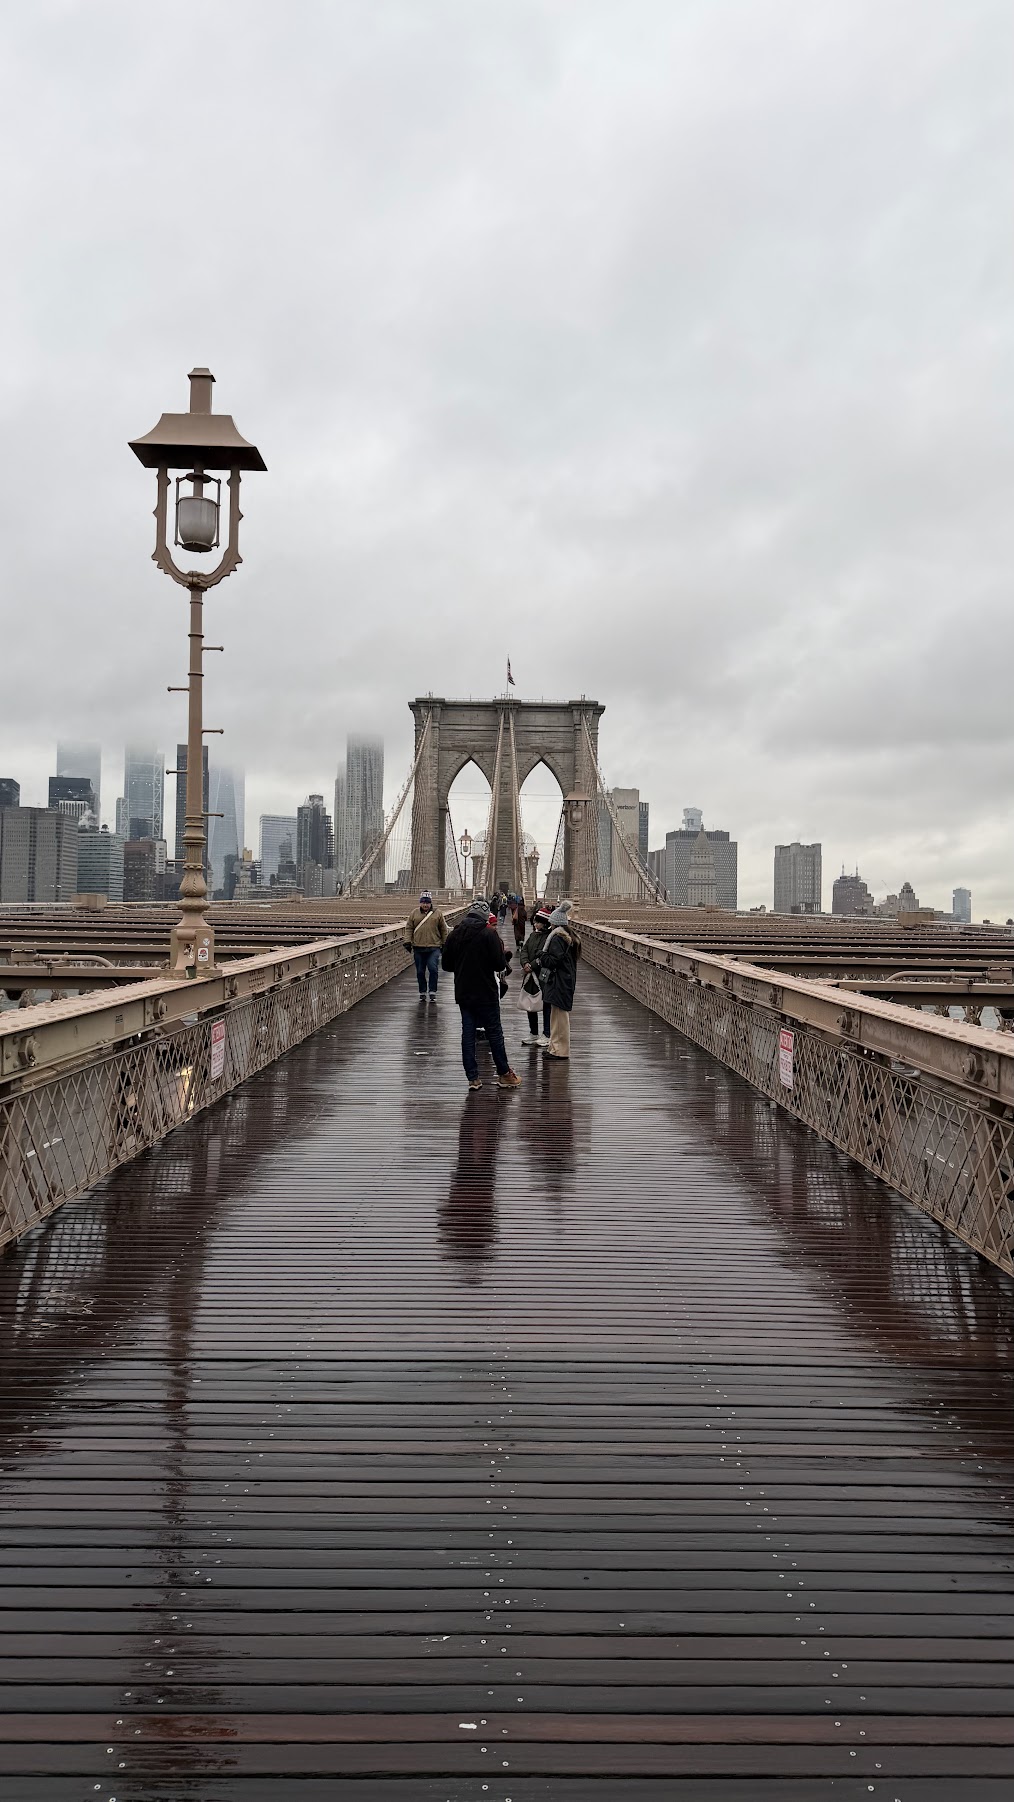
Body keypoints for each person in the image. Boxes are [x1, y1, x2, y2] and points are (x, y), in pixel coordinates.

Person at [441, 898, 523, 1091]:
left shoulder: (454, 935)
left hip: (463, 991)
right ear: (485, 916)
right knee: (494, 1032)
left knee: (467, 1033)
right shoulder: (489, 934)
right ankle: (504, 1075)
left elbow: (446, 965)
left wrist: (462, 967)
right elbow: (499, 965)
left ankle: (473, 1078)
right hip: (486, 991)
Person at [539, 900, 581, 1059]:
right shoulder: (568, 937)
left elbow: (553, 961)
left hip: (559, 981)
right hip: (564, 980)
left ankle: (560, 1050)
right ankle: (554, 1048)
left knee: (559, 1018)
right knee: (556, 1017)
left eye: (551, 923)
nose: (549, 925)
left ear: (556, 923)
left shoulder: (557, 939)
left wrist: (542, 956)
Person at [403, 890, 449, 1000]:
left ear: (430, 903)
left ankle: (432, 991)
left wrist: (445, 943)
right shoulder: (414, 913)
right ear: (420, 902)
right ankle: (422, 991)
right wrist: (407, 941)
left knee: (433, 969)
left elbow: (443, 929)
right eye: (423, 902)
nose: (425, 905)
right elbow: (409, 928)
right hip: (418, 947)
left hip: (434, 946)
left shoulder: (438, 913)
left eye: (427, 902)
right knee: (420, 971)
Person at [518, 904, 552, 1045]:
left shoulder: (549, 938)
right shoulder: (532, 935)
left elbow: (543, 955)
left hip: (542, 975)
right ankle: (533, 1032)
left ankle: (547, 1033)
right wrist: (524, 963)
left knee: (545, 1004)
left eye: (537, 921)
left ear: (544, 923)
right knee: (530, 1003)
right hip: (530, 975)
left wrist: (531, 966)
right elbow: (524, 950)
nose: (534, 923)